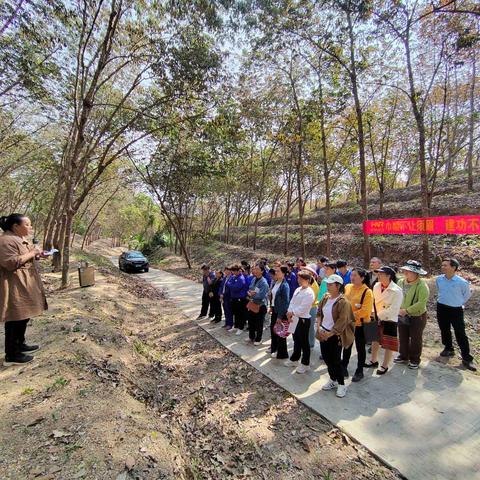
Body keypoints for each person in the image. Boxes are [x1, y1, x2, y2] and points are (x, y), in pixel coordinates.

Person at [0, 214, 48, 365]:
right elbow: (9, 262)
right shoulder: (5, 241)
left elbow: (24, 256)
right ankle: (12, 354)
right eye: (27, 225)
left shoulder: (19, 239)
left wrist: (36, 255)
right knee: (15, 317)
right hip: (14, 284)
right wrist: (32, 253)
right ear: (15, 226)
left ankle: (20, 344)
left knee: (24, 315)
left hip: (25, 283)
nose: (30, 227)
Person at [317, 274, 355, 398]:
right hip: (323, 332)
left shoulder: (343, 302)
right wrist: (318, 327)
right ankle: (332, 379)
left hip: (335, 335)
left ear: (338, 286)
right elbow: (319, 313)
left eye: (331, 284)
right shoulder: (325, 297)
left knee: (336, 360)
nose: (328, 286)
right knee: (327, 359)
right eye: (327, 284)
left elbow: (343, 320)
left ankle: (341, 384)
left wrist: (331, 333)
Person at [436, 258, 476, 371]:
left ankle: (467, 358)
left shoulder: (461, 282)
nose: (443, 267)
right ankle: (448, 348)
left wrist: (458, 302)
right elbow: (440, 291)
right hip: (441, 307)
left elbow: (467, 295)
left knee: (460, 333)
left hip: (456, 310)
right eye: (442, 265)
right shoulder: (439, 279)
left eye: (445, 265)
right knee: (444, 329)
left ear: (453, 267)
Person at [366, 266, 403, 375]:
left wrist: (379, 316)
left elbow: (394, 309)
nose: (379, 276)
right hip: (374, 315)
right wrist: (372, 313)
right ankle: (373, 360)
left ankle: (385, 365)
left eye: (381, 274)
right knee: (374, 339)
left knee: (388, 343)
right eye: (378, 274)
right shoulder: (376, 285)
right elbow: (372, 300)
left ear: (389, 276)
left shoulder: (397, 290)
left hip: (389, 319)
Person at [395, 260, 430, 369]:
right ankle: (403, 355)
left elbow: (421, 303)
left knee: (415, 338)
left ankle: (415, 359)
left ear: (416, 273)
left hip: (417, 316)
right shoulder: (400, 282)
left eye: (409, 271)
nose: (406, 273)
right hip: (401, 314)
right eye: (405, 270)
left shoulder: (422, 285)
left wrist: (407, 310)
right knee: (403, 336)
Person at [343, 268, 374, 382]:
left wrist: (348, 316)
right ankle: (344, 366)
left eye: (355, 275)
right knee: (347, 346)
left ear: (362, 278)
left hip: (360, 325)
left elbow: (365, 311)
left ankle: (359, 370)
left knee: (360, 348)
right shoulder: (347, 287)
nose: (352, 277)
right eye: (352, 275)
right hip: (348, 323)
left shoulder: (367, 292)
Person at [284, 271, 315, 374]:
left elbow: (303, 307)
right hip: (294, 318)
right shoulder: (298, 289)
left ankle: (305, 363)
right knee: (296, 339)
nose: (299, 281)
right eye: (298, 279)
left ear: (307, 280)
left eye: (301, 279)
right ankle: (294, 359)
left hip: (303, 319)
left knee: (304, 342)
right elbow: (292, 301)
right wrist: (289, 312)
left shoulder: (309, 293)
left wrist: (292, 313)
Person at [269, 266, 290, 359]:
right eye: (276, 271)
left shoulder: (284, 285)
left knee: (280, 333)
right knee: (273, 331)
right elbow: (273, 297)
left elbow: (285, 302)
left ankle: (282, 353)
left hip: (280, 312)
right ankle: (274, 349)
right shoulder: (275, 282)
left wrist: (280, 316)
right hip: (274, 309)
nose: (276, 273)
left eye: (278, 271)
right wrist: (271, 306)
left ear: (283, 273)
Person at [246, 265, 269, 345]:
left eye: (257, 269)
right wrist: (249, 293)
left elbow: (261, 295)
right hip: (252, 303)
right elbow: (250, 288)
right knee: (251, 321)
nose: (255, 270)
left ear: (262, 271)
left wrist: (252, 295)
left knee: (259, 323)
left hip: (260, 305)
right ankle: (251, 336)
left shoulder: (264, 282)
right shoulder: (254, 279)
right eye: (255, 269)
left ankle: (258, 339)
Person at [304, 263, 320, 349]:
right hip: (306, 307)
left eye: (307, 271)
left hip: (311, 307)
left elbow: (312, 298)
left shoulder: (313, 284)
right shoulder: (307, 281)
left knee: (310, 327)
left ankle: (311, 343)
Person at [229, 265, 247, 335]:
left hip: (240, 298)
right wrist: (231, 284)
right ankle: (236, 326)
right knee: (235, 313)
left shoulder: (241, 278)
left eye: (233, 271)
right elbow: (229, 283)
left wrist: (231, 285)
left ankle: (241, 328)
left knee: (240, 314)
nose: (232, 272)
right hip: (234, 298)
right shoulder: (233, 277)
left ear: (237, 271)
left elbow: (236, 288)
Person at [220, 266, 233, 330]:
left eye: (227, 270)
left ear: (230, 271)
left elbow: (230, 289)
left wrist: (223, 294)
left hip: (228, 297)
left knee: (229, 311)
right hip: (223, 297)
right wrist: (220, 294)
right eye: (225, 270)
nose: (225, 271)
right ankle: (226, 323)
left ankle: (230, 324)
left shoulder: (232, 278)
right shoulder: (224, 278)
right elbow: (221, 287)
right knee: (225, 310)